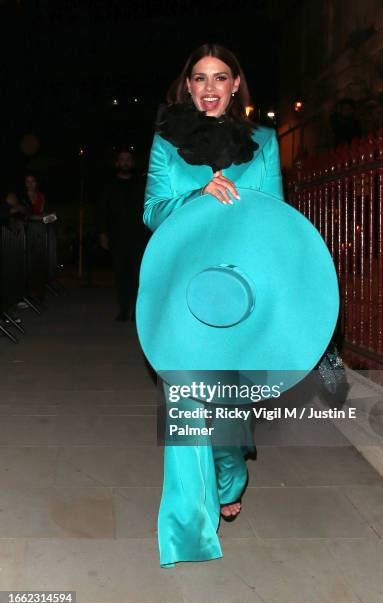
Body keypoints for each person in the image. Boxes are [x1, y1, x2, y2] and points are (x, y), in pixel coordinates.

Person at [141, 43, 286, 567]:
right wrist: (198, 194)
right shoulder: (165, 141)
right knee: (186, 409)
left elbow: (275, 219)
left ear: (235, 86)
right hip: (180, 291)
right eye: (199, 78)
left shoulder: (265, 142)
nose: (208, 88)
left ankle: (232, 471)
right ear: (187, 86)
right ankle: (187, 533)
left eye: (219, 78)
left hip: (237, 293)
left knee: (224, 413)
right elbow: (153, 213)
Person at [98, 149, 145, 321]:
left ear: (132, 163)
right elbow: (103, 212)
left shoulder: (141, 184)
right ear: (117, 163)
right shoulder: (109, 186)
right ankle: (124, 309)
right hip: (117, 238)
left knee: (136, 275)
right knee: (120, 275)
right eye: (122, 160)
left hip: (139, 237)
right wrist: (103, 234)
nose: (125, 162)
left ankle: (136, 311)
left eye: (128, 159)